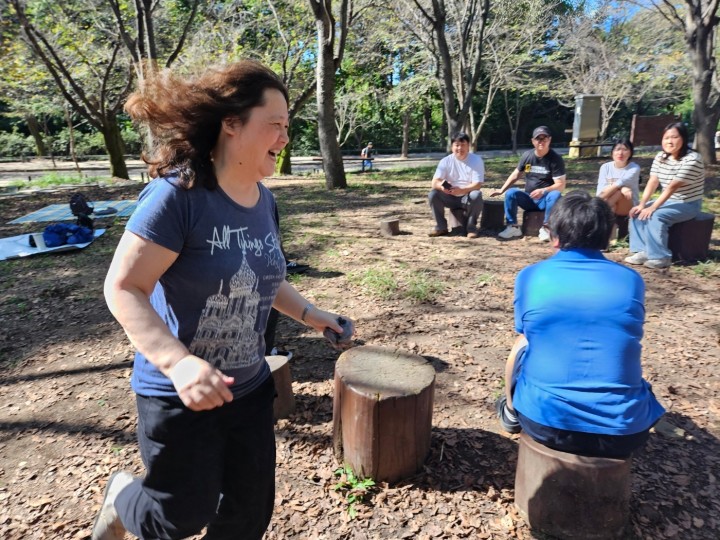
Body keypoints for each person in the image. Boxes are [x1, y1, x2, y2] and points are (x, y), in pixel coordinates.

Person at [91, 60, 353, 540]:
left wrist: (314, 316)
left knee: (248, 514)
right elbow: (124, 287)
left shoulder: (263, 200)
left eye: (287, 127)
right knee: (180, 516)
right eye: (274, 125)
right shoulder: (178, 195)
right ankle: (124, 497)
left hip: (248, 388)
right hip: (178, 395)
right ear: (231, 124)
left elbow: (264, 278)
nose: (284, 138)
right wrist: (178, 364)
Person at [496, 191, 665, 459]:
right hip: (623, 431)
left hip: (545, 422)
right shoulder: (631, 280)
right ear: (609, 234)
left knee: (523, 346)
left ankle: (510, 412)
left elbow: (524, 340)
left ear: (554, 236)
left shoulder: (530, 276)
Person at [625, 122, 704, 269]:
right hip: (667, 200)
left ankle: (660, 256)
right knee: (637, 212)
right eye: (666, 137)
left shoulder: (693, 159)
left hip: (688, 203)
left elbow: (672, 187)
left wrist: (653, 207)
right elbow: (653, 181)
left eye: (674, 137)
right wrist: (642, 204)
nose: (669, 141)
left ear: (683, 139)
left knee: (655, 216)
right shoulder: (661, 157)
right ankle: (643, 251)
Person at [491, 126, 566, 241]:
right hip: (529, 198)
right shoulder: (527, 156)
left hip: (546, 200)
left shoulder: (555, 159)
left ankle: (547, 228)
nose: (541, 142)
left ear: (549, 140)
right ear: (533, 141)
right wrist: (502, 190)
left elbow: (561, 185)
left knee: (555, 195)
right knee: (511, 193)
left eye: (544, 138)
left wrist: (543, 191)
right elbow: (516, 174)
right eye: (538, 139)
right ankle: (513, 227)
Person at [427, 132, 485, 238]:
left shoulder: (476, 160)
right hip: (449, 196)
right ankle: (441, 227)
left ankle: (471, 228)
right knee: (433, 194)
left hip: (467, 196)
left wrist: (462, 190)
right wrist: (442, 187)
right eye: (457, 145)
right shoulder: (445, 161)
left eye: (463, 145)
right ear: (452, 146)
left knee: (476, 195)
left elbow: (477, 185)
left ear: (468, 146)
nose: (460, 148)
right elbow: (434, 182)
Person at [596, 138, 640, 216]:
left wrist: (620, 188)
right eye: (617, 149)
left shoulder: (634, 168)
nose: (620, 153)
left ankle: (597, 210)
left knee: (619, 193)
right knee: (613, 206)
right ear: (612, 152)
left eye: (625, 149)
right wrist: (623, 188)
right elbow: (600, 191)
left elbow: (619, 183)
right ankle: (611, 224)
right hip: (611, 203)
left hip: (628, 206)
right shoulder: (605, 167)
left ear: (630, 153)